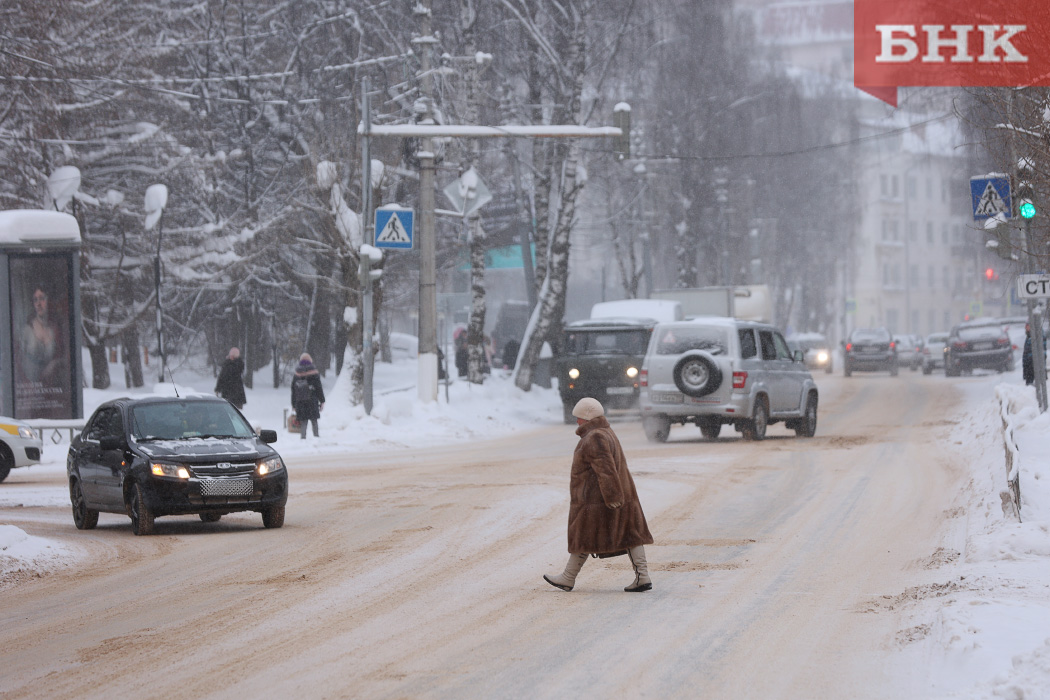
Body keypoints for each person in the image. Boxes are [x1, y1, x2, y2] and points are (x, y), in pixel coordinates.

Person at [544, 397, 654, 593]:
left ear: (586, 418)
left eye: (578, 417)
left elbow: (605, 470)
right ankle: (642, 576)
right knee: (630, 534)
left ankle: (568, 578)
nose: (576, 421)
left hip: (598, 500)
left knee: (584, 535)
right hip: (616, 496)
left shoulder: (594, 437)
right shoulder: (605, 432)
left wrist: (612, 497)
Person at [20, 286, 66, 386]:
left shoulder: (55, 329)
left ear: (49, 300)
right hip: (31, 390)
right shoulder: (27, 330)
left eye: (42, 298)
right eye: (35, 300)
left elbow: (63, 357)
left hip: (53, 388)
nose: (38, 304)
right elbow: (20, 361)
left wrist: (53, 364)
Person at [291, 353, 325, 439]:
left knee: (303, 421)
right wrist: (322, 400)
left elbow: (293, 390)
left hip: (301, 401)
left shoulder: (297, 373)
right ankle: (316, 436)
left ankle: (303, 437)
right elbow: (318, 387)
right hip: (312, 400)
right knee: (314, 420)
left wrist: (293, 404)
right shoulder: (314, 372)